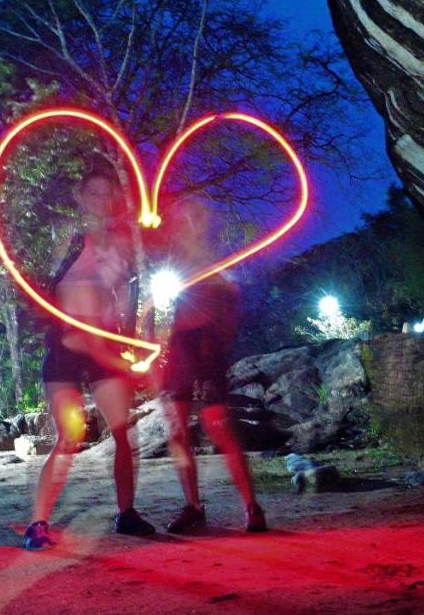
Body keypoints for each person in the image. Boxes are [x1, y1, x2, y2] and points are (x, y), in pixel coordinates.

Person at [22, 165, 156, 550]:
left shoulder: (121, 246)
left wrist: (132, 340)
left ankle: (127, 513)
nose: (101, 199)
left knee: (124, 432)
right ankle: (38, 523)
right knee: (70, 434)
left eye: (106, 193)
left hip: (103, 344)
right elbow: (50, 276)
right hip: (66, 344)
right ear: (80, 196)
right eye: (93, 192)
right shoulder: (67, 236)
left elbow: (123, 302)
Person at [155, 196, 267, 533]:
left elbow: (231, 311)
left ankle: (251, 505)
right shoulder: (171, 262)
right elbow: (162, 312)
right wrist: (157, 354)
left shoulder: (219, 259)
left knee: (218, 425)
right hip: (178, 349)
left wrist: (218, 344)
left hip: (206, 348)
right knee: (176, 429)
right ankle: (193, 505)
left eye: (197, 213)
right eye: (182, 214)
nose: (189, 219)